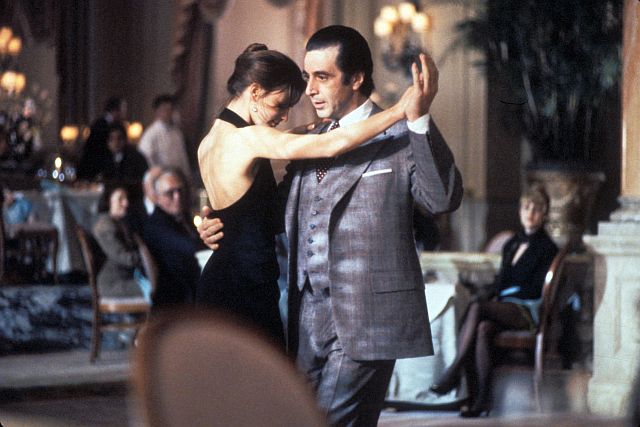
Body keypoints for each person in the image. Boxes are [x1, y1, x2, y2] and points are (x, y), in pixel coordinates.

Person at [199, 26, 463, 426]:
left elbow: (442, 199)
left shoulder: (401, 132)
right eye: (308, 77)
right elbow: (271, 214)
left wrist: (419, 119)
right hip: (305, 321)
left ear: (355, 78)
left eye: (322, 77)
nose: (309, 90)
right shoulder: (310, 141)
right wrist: (216, 220)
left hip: (367, 320)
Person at [196, 42, 417, 349]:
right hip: (245, 287)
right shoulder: (249, 139)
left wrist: (303, 130)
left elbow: (241, 204)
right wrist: (398, 111)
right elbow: (331, 145)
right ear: (255, 91)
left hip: (221, 279)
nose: (284, 116)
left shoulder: (211, 140)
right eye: (280, 105)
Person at [429, 185, 558, 417]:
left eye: (537, 209)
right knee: (483, 328)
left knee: (478, 307)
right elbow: (500, 283)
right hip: (505, 306)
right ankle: (482, 400)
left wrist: (503, 292)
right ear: (520, 210)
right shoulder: (512, 244)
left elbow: (533, 289)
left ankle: (455, 369)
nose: (530, 213)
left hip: (527, 310)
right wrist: (487, 292)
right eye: (526, 207)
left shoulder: (548, 247)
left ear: (544, 214)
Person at [144, 168, 203, 309]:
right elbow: (191, 248)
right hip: (177, 300)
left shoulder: (183, 217)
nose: (177, 197)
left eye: (180, 190)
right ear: (157, 198)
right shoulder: (156, 225)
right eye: (170, 193)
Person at [92, 186, 151, 301]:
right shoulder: (105, 226)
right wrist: (151, 257)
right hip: (113, 283)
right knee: (160, 287)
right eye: (120, 199)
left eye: (126, 199)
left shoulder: (119, 222)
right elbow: (126, 258)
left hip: (128, 277)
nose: (126, 203)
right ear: (108, 202)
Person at [139, 94, 192, 181]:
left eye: (170, 109)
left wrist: (187, 177)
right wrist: (157, 175)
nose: (168, 113)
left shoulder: (177, 133)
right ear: (157, 111)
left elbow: (183, 157)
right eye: (165, 109)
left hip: (179, 177)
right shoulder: (150, 134)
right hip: (160, 178)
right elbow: (146, 158)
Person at [78, 97, 128, 181]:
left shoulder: (111, 124)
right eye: (123, 109)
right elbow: (96, 151)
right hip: (92, 170)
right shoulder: (101, 125)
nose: (125, 113)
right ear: (115, 110)